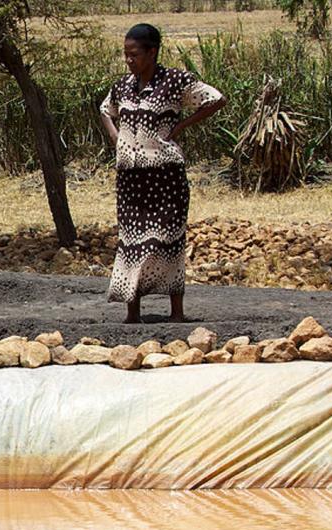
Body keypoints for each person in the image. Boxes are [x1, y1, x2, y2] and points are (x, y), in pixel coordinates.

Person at [99, 23, 226, 323]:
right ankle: (133, 313)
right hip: (130, 179)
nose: (129, 61)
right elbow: (106, 110)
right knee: (131, 240)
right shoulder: (122, 86)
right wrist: (117, 138)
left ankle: (176, 313)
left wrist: (180, 127)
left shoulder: (175, 81)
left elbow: (216, 99)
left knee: (167, 239)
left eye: (134, 55)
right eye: (125, 55)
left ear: (152, 52)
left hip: (166, 177)